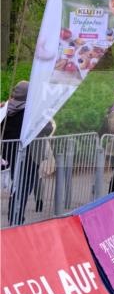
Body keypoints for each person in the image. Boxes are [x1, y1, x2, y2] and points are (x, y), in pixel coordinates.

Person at [1, 80, 55, 225]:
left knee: (17, 184)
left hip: (10, 153)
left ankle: (15, 217)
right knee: (24, 186)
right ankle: (16, 219)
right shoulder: (33, 111)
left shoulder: (5, 109)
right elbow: (48, 129)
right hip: (31, 155)